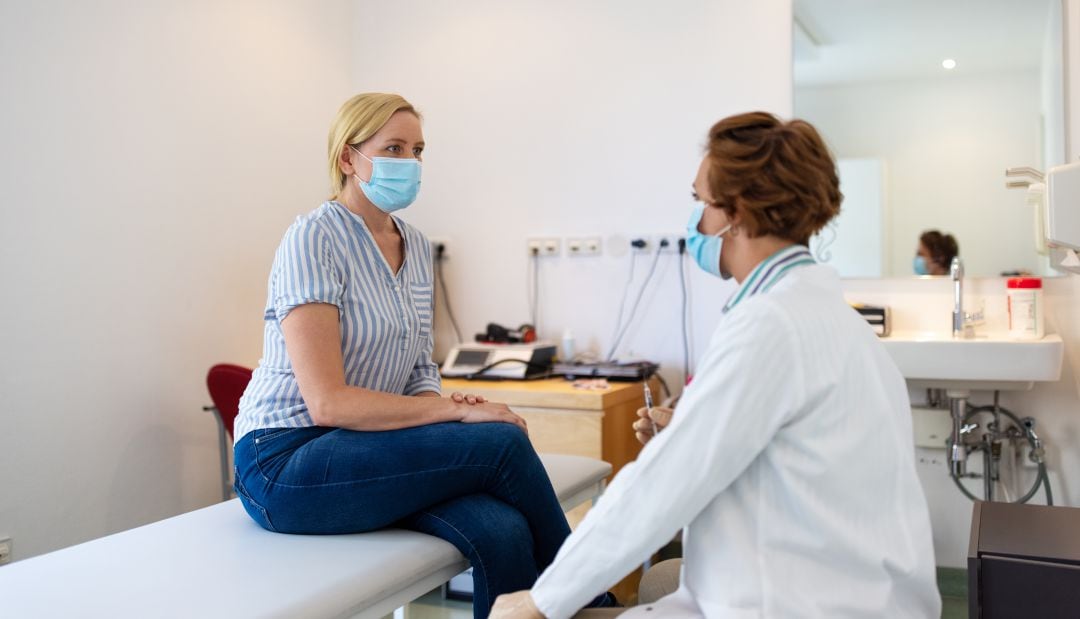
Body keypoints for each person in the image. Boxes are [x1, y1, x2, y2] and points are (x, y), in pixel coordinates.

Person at [490, 112, 940, 618]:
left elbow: (660, 487)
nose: (696, 222)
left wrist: (542, 600)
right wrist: (692, 426)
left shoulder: (770, 325)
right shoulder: (833, 319)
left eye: (700, 202)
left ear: (736, 213)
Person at [232, 93, 614, 619]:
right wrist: (454, 413)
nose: (410, 162)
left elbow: (417, 371)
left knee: (502, 529)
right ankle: (594, 600)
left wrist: (444, 421)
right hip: (286, 460)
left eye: (418, 150)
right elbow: (328, 404)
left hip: (366, 449)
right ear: (348, 158)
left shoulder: (413, 246)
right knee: (498, 442)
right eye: (394, 147)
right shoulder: (313, 238)